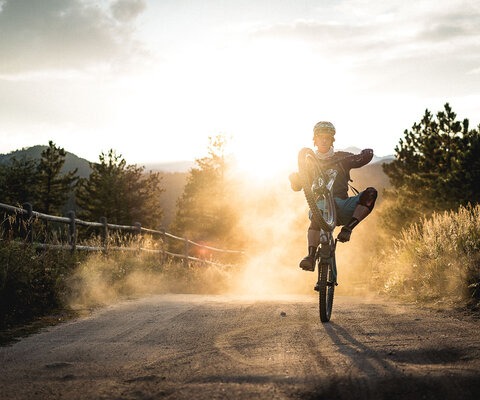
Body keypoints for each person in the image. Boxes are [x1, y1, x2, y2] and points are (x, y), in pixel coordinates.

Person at [289, 121, 378, 271]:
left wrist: (367, 153)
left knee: (371, 192)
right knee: (317, 215)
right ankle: (310, 257)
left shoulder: (342, 158)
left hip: (342, 206)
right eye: (320, 137)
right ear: (315, 140)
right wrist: (294, 179)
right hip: (320, 207)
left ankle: (347, 229)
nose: (324, 140)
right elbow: (297, 187)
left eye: (327, 137)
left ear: (332, 140)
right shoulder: (309, 163)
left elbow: (361, 159)